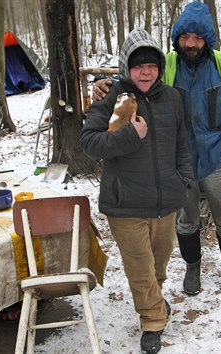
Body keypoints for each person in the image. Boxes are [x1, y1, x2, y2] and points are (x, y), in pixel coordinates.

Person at [92, 2, 221, 296]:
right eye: (184, 37)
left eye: (197, 37)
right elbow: (138, 79)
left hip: (215, 157)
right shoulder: (166, 66)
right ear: (176, 38)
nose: (190, 43)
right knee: (187, 219)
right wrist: (105, 85)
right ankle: (193, 268)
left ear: (207, 39)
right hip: (178, 161)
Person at [81, 28, 193, 354]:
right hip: (125, 204)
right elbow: (89, 144)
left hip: (166, 201)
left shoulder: (172, 98)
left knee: (158, 267)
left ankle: (152, 301)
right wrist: (131, 136)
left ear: (159, 66)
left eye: (152, 65)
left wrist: (184, 181)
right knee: (140, 269)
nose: (145, 72)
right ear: (124, 67)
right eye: (137, 65)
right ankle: (152, 320)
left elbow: (181, 144)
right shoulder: (110, 98)